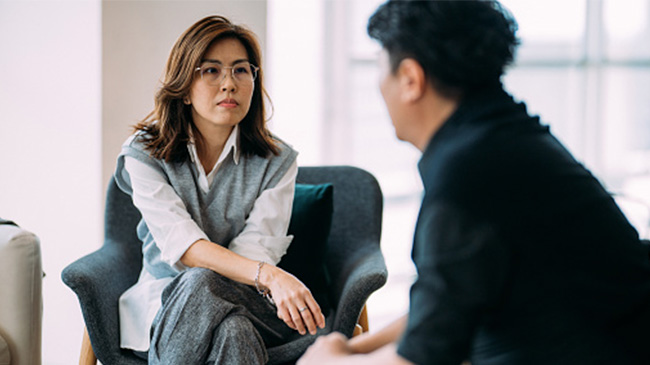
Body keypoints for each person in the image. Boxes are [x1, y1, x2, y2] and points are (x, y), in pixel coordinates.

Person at [299, 1, 650, 364]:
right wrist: (354, 348)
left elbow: (421, 359)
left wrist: (327, 361)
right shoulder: (505, 136)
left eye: (380, 69)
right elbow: (445, 305)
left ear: (410, 80)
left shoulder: (466, 177)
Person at [113, 15, 325, 365]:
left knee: (206, 286)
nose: (229, 83)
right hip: (165, 304)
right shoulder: (143, 153)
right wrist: (273, 277)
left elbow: (256, 249)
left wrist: (262, 274)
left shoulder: (279, 160)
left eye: (241, 70)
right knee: (232, 329)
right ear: (183, 87)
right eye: (211, 71)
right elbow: (184, 247)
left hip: (249, 299)